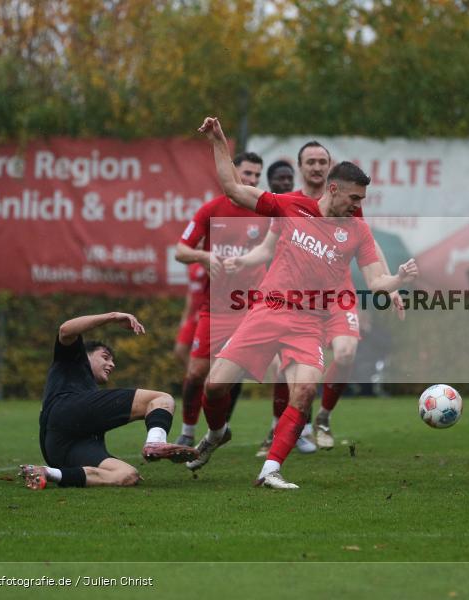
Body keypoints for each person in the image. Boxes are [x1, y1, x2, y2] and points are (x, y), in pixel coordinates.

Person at [191, 116, 418, 489]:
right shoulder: (290, 206)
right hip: (267, 310)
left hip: (309, 321)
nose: (359, 206)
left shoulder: (356, 229)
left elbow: (376, 280)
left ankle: (271, 469)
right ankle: (216, 433)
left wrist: (399, 280)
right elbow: (233, 187)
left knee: (305, 390)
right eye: (354, 198)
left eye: (362, 200)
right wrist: (218, 140)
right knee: (215, 386)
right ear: (333, 189)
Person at [242, 142, 404, 457]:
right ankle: (280, 427)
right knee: (286, 367)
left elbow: (366, 242)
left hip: (337, 290)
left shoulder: (348, 199)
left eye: (322, 161)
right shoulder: (290, 203)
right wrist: (246, 265)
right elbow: (269, 246)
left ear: (329, 168)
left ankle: (324, 418)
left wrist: (389, 283)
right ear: (300, 167)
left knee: (345, 353)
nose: (316, 167)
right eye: (310, 162)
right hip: (298, 295)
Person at [19, 312, 197, 490]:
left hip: (59, 448)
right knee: (161, 399)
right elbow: (65, 330)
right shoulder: (72, 359)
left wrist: (51, 470)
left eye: (112, 360)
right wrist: (113, 317)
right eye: (105, 357)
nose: (112, 364)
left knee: (127, 475)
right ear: (85, 355)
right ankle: (155, 442)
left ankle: (46, 473)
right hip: (66, 410)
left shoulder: (89, 388)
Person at [173, 151, 270, 447]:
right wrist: (203, 256)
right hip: (214, 309)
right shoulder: (210, 210)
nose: (252, 179)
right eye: (247, 173)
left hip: (251, 310)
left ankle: (288, 431)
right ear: (231, 173)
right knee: (196, 372)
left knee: (268, 371)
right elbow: (180, 251)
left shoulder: (266, 211)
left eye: (256, 174)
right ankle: (187, 431)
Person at [173, 262, 207, 368]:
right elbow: (191, 293)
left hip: (207, 314)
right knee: (180, 350)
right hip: (194, 317)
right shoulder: (191, 265)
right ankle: (197, 376)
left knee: (208, 355)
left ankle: (201, 377)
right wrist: (185, 317)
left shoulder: (210, 261)